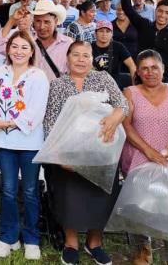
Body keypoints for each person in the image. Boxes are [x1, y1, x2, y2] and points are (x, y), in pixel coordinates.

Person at [43, 40, 129, 265]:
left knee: (100, 195)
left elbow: (123, 105)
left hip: (102, 150)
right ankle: (71, 242)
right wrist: (59, 155)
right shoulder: (58, 85)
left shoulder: (103, 79)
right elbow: (50, 122)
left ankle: (95, 243)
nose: (81, 59)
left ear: (92, 59)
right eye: (76, 55)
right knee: (69, 195)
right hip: (69, 151)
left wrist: (114, 116)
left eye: (86, 55)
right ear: (68, 58)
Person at [121, 50, 168, 265]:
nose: (150, 72)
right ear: (138, 71)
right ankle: (143, 251)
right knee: (140, 207)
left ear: (163, 69)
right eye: (144, 68)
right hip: (139, 159)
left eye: (154, 67)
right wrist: (149, 151)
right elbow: (126, 126)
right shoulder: (130, 92)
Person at [0, 31, 49, 260]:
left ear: (32, 52)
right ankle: (8, 236)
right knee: (9, 191)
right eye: (15, 46)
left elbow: (37, 111)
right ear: (8, 49)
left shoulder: (38, 76)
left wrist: (9, 122)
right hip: (5, 142)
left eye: (25, 47)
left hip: (30, 141)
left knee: (31, 191)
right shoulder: (1, 72)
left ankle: (32, 239)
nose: (19, 51)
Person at [0, 0, 72, 81]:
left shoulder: (67, 44)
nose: (42, 26)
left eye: (47, 22)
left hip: (56, 92)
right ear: (33, 21)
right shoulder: (26, 40)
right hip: (29, 92)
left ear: (55, 21)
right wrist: (12, 20)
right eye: (38, 21)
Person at [92, 20, 136, 89]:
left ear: (112, 34)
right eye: (101, 31)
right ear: (95, 33)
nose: (104, 34)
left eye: (107, 31)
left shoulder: (118, 46)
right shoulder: (89, 47)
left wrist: (135, 87)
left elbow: (132, 66)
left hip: (115, 86)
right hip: (94, 85)